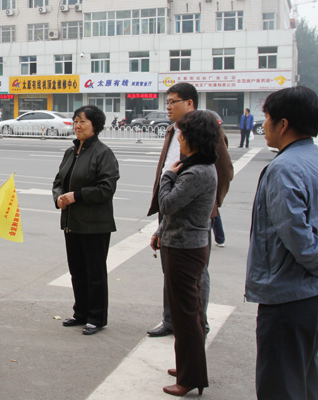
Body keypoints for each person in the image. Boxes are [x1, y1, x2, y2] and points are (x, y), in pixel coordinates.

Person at [246, 86, 318, 399]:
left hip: (286, 297)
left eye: (267, 118)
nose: (264, 126)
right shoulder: (313, 159)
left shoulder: (284, 169)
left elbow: (297, 238)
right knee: (305, 377)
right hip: (309, 295)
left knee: (280, 385)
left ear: (283, 124)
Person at [147, 82, 233, 338]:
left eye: (173, 101)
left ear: (190, 103)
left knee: (196, 274)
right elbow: (166, 168)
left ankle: (198, 322)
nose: (168, 106)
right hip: (170, 204)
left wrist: (209, 205)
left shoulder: (208, 131)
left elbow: (225, 171)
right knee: (170, 268)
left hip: (194, 213)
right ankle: (171, 320)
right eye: (167, 101)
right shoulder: (173, 131)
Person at [152, 110, 219, 396]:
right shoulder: (193, 166)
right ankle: (187, 366)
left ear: (191, 138)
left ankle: (191, 377)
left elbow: (166, 203)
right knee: (183, 314)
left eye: (181, 134)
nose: (178, 138)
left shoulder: (197, 172)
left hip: (186, 248)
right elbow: (176, 211)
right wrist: (159, 232)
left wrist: (167, 176)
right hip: (179, 242)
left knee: (187, 315)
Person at [52, 104, 120, 336]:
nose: (78, 125)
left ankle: (96, 317)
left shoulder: (103, 153)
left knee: (95, 273)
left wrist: (76, 196)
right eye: (76, 120)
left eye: (83, 121)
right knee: (77, 271)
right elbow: (58, 181)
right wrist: (59, 197)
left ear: (95, 126)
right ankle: (80, 312)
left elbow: (106, 188)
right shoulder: (70, 152)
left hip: (95, 225)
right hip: (72, 223)